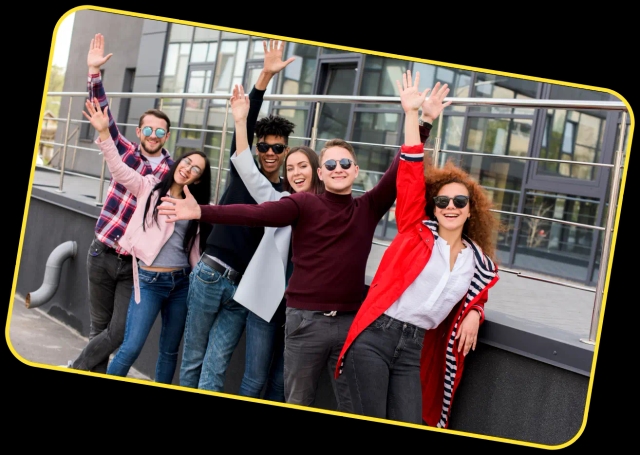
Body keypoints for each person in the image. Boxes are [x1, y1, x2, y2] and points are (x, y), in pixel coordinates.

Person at [158, 70, 450, 413]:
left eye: (345, 163)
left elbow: (402, 168)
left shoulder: (368, 207)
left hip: (348, 323)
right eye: (331, 164)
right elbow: (257, 214)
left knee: (350, 404)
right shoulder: (304, 204)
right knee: (298, 400)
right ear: (321, 173)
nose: (338, 168)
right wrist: (201, 212)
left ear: (355, 170)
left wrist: (421, 119)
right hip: (305, 321)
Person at [334, 77, 500, 427]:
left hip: (414, 350)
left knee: (413, 420)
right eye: (442, 201)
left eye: (460, 201)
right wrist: (414, 116)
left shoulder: (477, 262)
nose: (450, 206)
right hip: (376, 338)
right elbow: (409, 173)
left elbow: (476, 295)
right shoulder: (416, 230)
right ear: (433, 207)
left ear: (472, 210)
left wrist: (475, 314)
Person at [177, 40, 296, 392]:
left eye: (277, 147)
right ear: (255, 149)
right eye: (263, 146)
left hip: (244, 289)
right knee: (194, 358)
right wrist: (265, 76)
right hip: (211, 274)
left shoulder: (287, 195)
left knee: (216, 366)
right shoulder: (243, 170)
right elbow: (248, 116)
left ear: (286, 150)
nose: (270, 153)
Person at [81, 97, 212, 383]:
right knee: (130, 346)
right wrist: (104, 133)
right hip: (149, 281)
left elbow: (196, 248)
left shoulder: (199, 208)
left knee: (168, 352)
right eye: (186, 161)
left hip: (181, 284)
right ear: (177, 161)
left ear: (199, 180)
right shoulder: (150, 187)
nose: (188, 168)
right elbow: (118, 168)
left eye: (196, 169)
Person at [67, 33, 175, 373]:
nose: (153, 136)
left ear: (167, 136)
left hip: (133, 267)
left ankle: (76, 366)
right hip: (102, 252)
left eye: (160, 132)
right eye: (148, 130)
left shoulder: (172, 173)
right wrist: (93, 74)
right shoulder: (124, 151)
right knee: (98, 329)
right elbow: (102, 114)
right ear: (139, 131)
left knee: (116, 334)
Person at [227, 82, 324, 401]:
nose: (296, 172)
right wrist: (241, 121)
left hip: (304, 312)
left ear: (316, 171)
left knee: (283, 383)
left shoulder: (329, 211)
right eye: (291, 167)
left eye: (303, 166)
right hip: (266, 304)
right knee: (254, 381)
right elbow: (245, 166)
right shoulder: (279, 198)